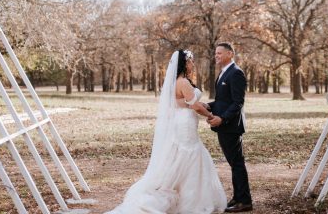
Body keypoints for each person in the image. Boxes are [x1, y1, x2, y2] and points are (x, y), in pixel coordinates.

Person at [106, 49, 227, 214]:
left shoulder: (179, 81)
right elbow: (194, 106)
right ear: (184, 63)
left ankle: (185, 195)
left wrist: (203, 105)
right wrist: (211, 115)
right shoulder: (183, 82)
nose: (193, 64)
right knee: (189, 155)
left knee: (183, 156)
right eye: (191, 61)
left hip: (182, 119)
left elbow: (185, 102)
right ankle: (190, 201)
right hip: (185, 122)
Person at [204, 42, 253, 212]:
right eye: (215, 53)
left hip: (231, 126)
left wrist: (222, 118)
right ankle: (238, 197)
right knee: (234, 163)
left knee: (237, 163)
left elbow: (237, 102)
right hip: (225, 126)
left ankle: (245, 201)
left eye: (219, 53)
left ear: (230, 54)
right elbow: (223, 101)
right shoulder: (223, 73)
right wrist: (208, 106)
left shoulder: (236, 73)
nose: (216, 56)